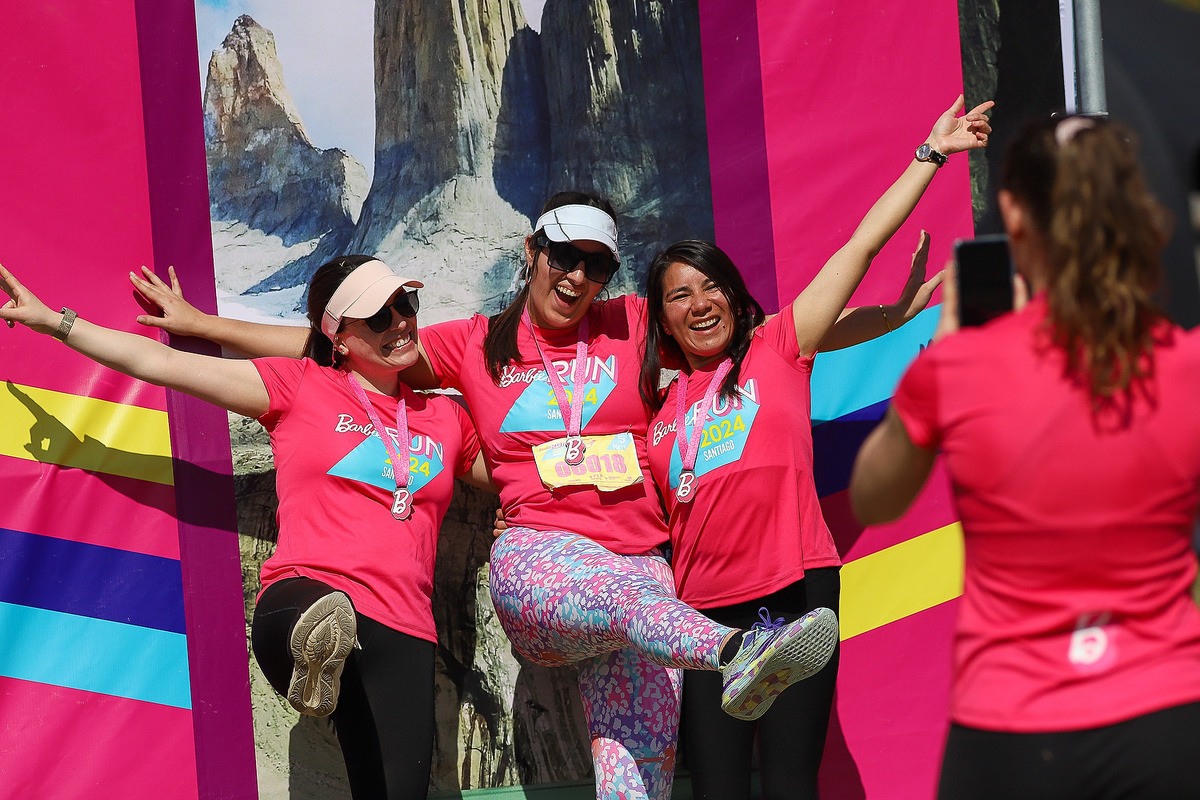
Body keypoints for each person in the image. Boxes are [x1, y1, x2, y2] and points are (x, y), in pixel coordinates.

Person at [127, 193, 839, 800]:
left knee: (638, 778)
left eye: (595, 265)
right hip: (544, 565)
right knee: (629, 603)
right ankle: (737, 650)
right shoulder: (475, 343)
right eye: (564, 256)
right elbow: (347, 344)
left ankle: (730, 654)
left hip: (642, 567)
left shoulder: (632, 323)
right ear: (532, 251)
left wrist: (878, 316)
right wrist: (202, 326)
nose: (578, 275)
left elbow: (774, 336)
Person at [0, 255, 493, 800]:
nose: (400, 321)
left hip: (404, 626)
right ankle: (316, 652)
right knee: (318, 615)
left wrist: (532, 514)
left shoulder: (445, 418)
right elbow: (161, 364)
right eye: (379, 316)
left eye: (406, 304)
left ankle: (328, 664)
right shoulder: (300, 386)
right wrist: (57, 322)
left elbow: (515, 476)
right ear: (339, 338)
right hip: (310, 592)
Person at [637, 96, 992, 800]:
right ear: (664, 320)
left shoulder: (777, 346)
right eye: (680, 295)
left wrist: (930, 155)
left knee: (792, 780)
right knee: (716, 788)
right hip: (702, 618)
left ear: (736, 298)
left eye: (711, 286)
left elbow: (859, 247)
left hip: (794, 591)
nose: (699, 303)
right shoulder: (656, 411)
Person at [848, 114, 1200, 800]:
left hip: (1011, 730)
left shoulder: (958, 370)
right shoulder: (1187, 366)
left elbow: (874, 500)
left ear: (1012, 213)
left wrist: (940, 369)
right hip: (1166, 719)